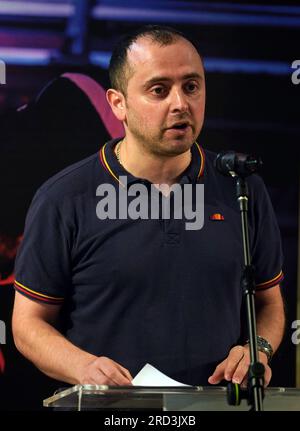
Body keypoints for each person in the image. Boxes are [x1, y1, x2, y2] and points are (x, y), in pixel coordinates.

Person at [12, 25, 285, 388]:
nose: (180, 104)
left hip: (212, 404)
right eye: (159, 90)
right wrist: (82, 367)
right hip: (110, 411)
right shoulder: (64, 197)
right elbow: (28, 324)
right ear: (117, 103)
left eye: (191, 86)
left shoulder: (242, 188)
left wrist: (258, 348)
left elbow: (270, 303)